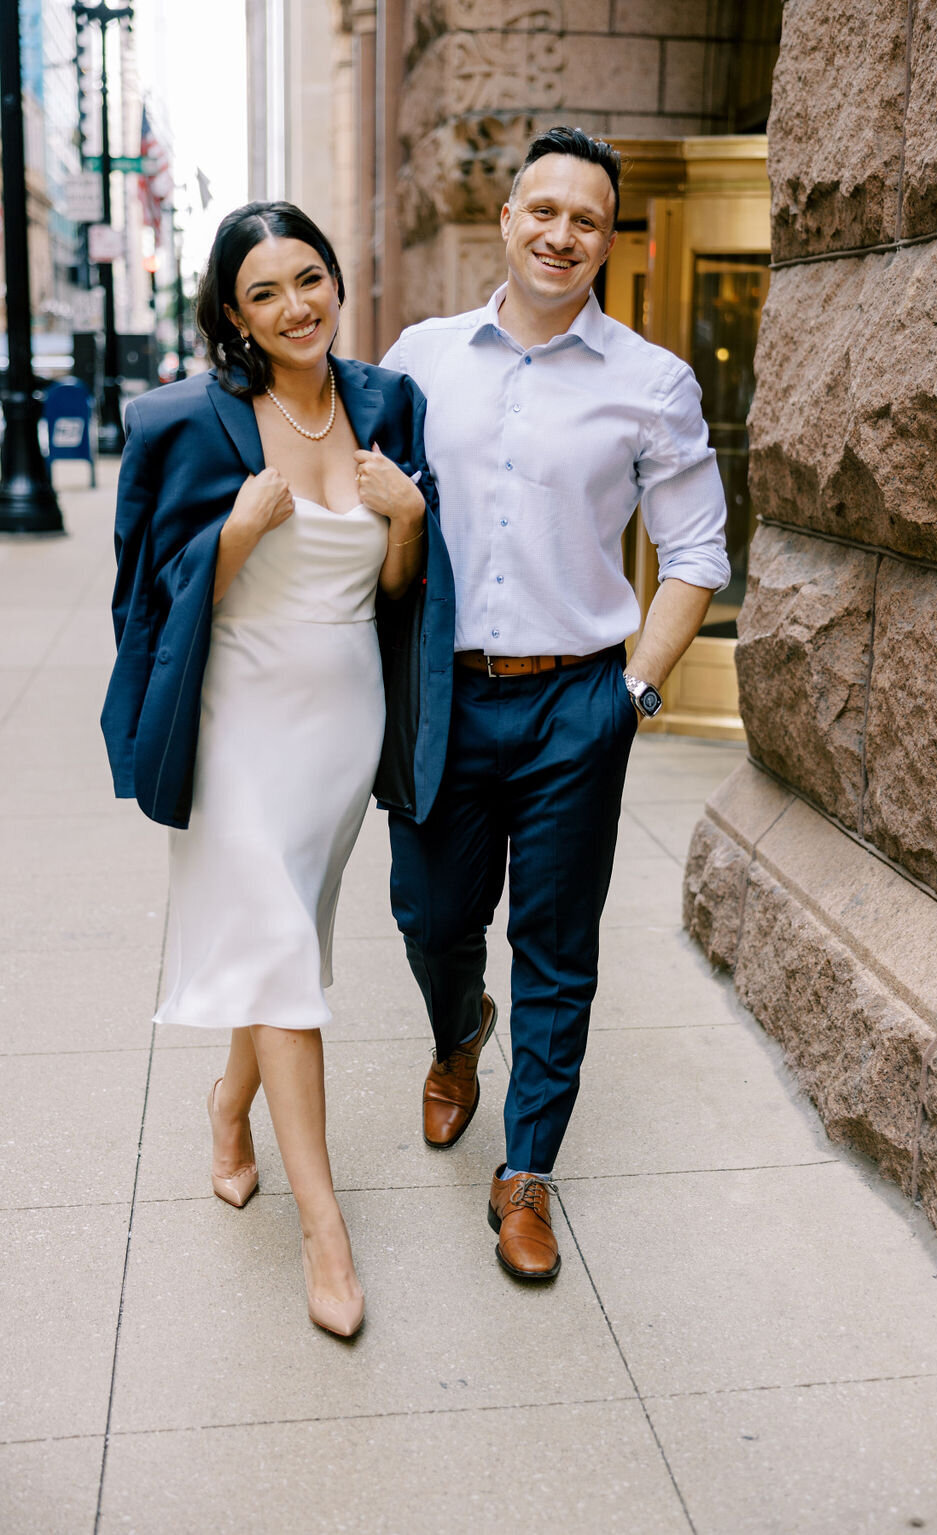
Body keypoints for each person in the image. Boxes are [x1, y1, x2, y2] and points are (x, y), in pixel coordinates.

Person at [381, 126, 730, 1281]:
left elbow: (694, 554)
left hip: (576, 703)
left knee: (556, 944)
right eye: (544, 210)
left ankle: (525, 1172)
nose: (560, 234)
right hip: (443, 694)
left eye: (586, 219)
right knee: (432, 919)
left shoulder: (651, 382)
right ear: (507, 217)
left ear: (609, 240)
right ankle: (455, 1030)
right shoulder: (421, 360)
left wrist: (631, 693)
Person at [100, 201, 454, 1337]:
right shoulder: (187, 423)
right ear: (231, 315)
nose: (296, 306)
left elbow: (397, 591)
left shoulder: (388, 403)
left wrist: (403, 518)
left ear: (335, 281)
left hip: (341, 723)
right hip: (238, 723)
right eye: (265, 292)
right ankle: (325, 1232)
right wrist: (240, 532)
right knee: (281, 946)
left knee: (281, 940)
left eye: (309, 278)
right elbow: (150, 592)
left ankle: (228, 1100)